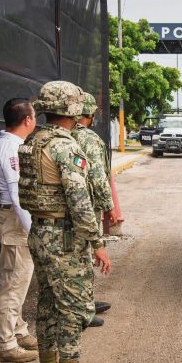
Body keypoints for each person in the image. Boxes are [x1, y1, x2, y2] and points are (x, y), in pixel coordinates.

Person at [18, 80, 113, 363]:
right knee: (74, 310)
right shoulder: (65, 146)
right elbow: (79, 200)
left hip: (39, 232)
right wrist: (97, 242)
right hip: (64, 238)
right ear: (73, 109)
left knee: (47, 304)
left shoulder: (32, 141)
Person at [0, 98, 39, 363]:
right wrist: (31, 229)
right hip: (16, 219)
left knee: (18, 281)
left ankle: (18, 331)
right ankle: (4, 345)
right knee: (12, 283)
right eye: (34, 115)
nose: (36, 120)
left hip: (15, 217)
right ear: (27, 120)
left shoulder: (12, 144)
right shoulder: (10, 148)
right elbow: (17, 194)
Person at [71, 92, 116, 328]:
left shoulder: (62, 134)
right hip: (86, 206)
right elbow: (99, 177)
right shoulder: (88, 138)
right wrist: (109, 206)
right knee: (85, 254)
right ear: (89, 114)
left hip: (67, 207)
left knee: (74, 257)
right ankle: (83, 308)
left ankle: (84, 302)